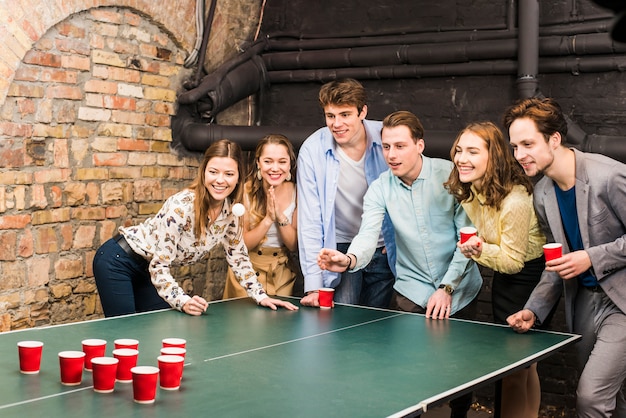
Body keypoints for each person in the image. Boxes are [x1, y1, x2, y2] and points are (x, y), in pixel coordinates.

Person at [318, 110, 482, 418]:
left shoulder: (450, 174)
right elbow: (367, 235)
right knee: (407, 371)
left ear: (419, 145)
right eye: (386, 147)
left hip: (460, 288)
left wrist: (447, 287)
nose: (391, 155)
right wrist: (349, 259)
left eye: (400, 146)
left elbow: (469, 239)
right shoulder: (380, 187)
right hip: (412, 290)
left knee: (461, 372)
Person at [503, 97, 626, 417]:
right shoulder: (542, 193)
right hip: (583, 302)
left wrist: (591, 257)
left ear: (554, 139)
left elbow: (585, 256)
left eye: (528, 143)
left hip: (622, 302)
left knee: (591, 399)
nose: (519, 155)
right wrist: (534, 309)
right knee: (614, 400)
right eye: (515, 146)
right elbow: (554, 262)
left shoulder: (608, 176)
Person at [94, 139, 299, 317]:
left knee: (154, 328)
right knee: (125, 334)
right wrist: (183, 300)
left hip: (147, 267)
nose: (220, 180)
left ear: (238, 178)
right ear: (203, 173)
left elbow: (238, 258)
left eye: (229, 173)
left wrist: (260, 296)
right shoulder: (181, 206)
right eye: (213, 172)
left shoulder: (231, 212)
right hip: (119, 260)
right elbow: (159, 266)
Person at [444, 121, 546, 418]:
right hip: (507, 277)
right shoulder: (472, 192)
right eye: (459, 150)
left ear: (495, 157)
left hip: (527, 278)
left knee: (516, 369)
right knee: (526, 365)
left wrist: (477, 250)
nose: (462, 158)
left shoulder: (515, 200)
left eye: (473, 151)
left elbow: (513, 261)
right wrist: (480, 247)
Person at [297, 78, 396, 308]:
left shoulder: (388, 140)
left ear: (363, 112)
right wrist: (314, 284)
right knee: (342, 323)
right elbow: (310, 221)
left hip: (383, 248)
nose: (337, 123)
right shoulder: (312, 150)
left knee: (374, 326)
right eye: (331, 116)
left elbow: (409, 190)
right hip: (339, 246)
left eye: (345, 114)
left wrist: (396, 239)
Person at [222, 134, 299, 298]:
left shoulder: (297, 192)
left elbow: (293, 245)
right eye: (268, 161)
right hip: (245, 272)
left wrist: (280, 217)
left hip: (280, 273)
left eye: (282, 161)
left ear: (290, 164)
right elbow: (243, 245)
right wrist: (268, 219)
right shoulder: (245, 192)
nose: (275, 168)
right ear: (258, 163)